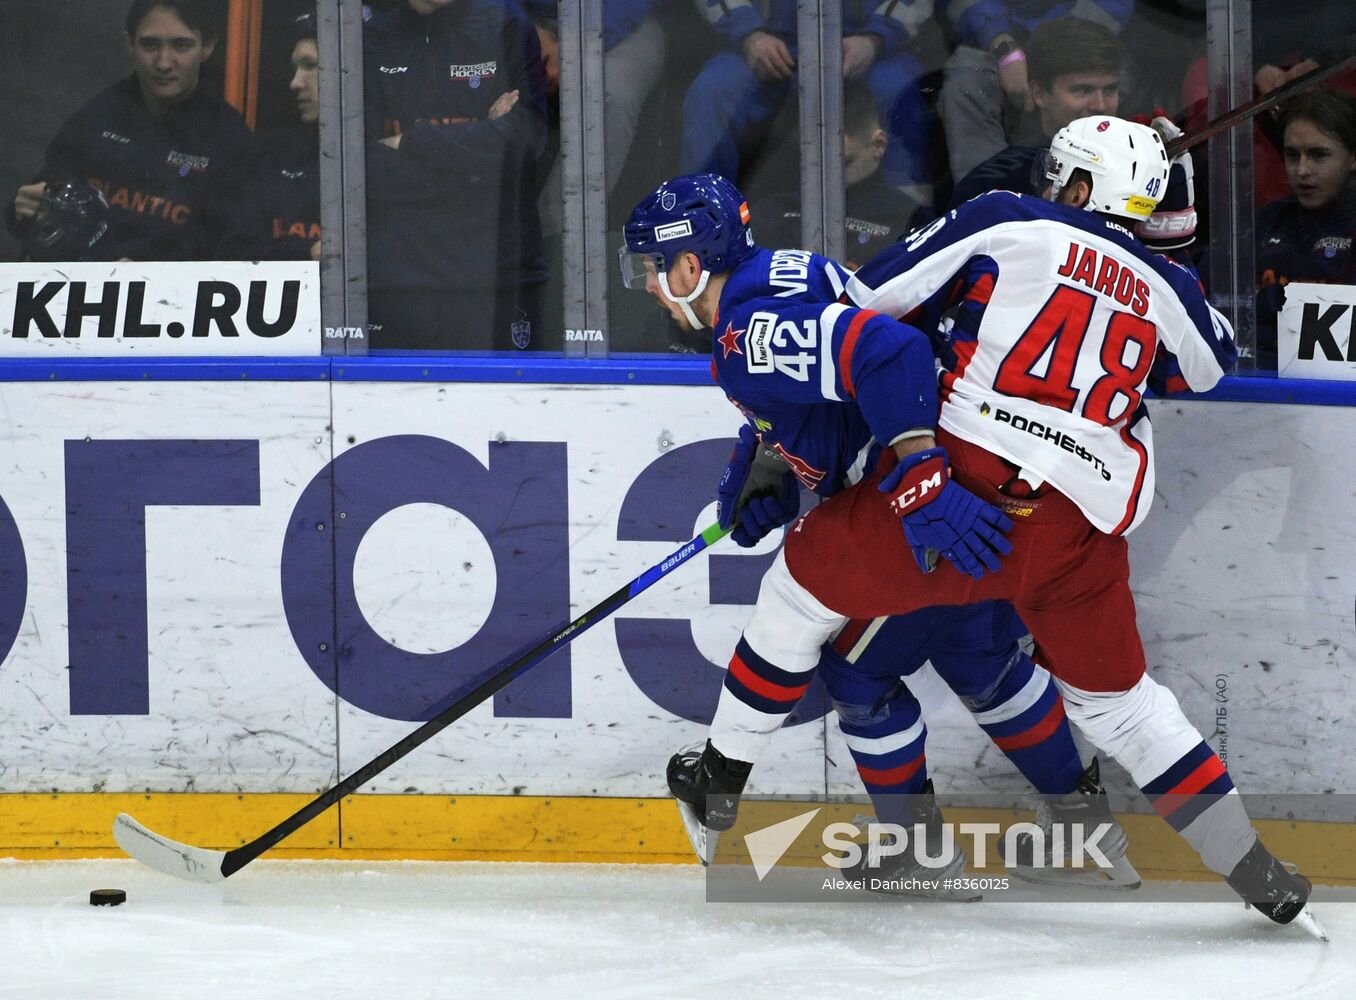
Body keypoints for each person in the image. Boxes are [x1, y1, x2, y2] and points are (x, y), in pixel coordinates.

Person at [625, 122, 1320, 931]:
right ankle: (1254, 869)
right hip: (1077, 532)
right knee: (1123, 705)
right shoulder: (1168, 284)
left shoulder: (1005, 216)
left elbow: (875, 304)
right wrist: (1159, 250)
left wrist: (914, 467)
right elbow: (1208, 363)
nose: (1047, 187)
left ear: (1078, 189)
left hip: (958, 493)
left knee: (800, 600)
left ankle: (720, 783)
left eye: (1057, 177)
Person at [621, 173, 1138, 894]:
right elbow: (827, 376)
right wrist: (765, 459)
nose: (645, 284)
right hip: (978, 493)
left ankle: (915, 848)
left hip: (912, 511)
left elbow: (886, 353)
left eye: (649, 266)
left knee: (855, 671)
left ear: (687, 267)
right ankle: (1088, 830)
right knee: (980, 654)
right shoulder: (777, 273)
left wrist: (916, 471)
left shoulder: (745, 334)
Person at [5, 0, 258, 261]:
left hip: (172, 295)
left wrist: (148, 275)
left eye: (181, 45)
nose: (163, 62)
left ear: (207, 47)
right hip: (83, 286)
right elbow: (38, 210)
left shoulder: (230, 139)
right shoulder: (97, 116)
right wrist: (24, 210)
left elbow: (232, 252)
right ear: (129, 44)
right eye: (150, 44)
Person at [363, 0, 549, 351]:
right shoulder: (371, 40)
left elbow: (527, 140)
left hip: (498, 278)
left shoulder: (505, 27)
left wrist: (411, 140)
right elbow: (359, 165)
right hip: (401, 281)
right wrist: (480, 147)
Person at [683, 1, 937, 202]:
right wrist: (750, 34)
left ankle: (905, 228)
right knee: (712, 91)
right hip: (766, 44)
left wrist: (875, 39)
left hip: (868, 47)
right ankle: (708, 218)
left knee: (902, 91)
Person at [937, 0, 1134, 183]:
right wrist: (1002, 45)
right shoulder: (973, 82)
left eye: (1110, 90)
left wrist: (1069, 45)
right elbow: (985, 202)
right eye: (1082, 91)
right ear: (1038, 94)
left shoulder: (1135, 151)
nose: (1100, 105)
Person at [756, 83, 937, 269]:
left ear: (879, 145)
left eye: (844, 163)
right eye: (817, 164)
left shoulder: (909, 220)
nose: (828, 175)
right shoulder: (768, 213)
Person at [1255, 89, 1356, 370]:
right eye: (1292, 155)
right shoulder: (1265, 221)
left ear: (1353, 158)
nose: (1302, 170)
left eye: (1318, 155)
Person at [218, 12, 321, 261]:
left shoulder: (384, 158)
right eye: (294, 68)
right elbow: (234, 255)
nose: (295, 82)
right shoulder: (273, 161)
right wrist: (307, 254)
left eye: (311, 66)